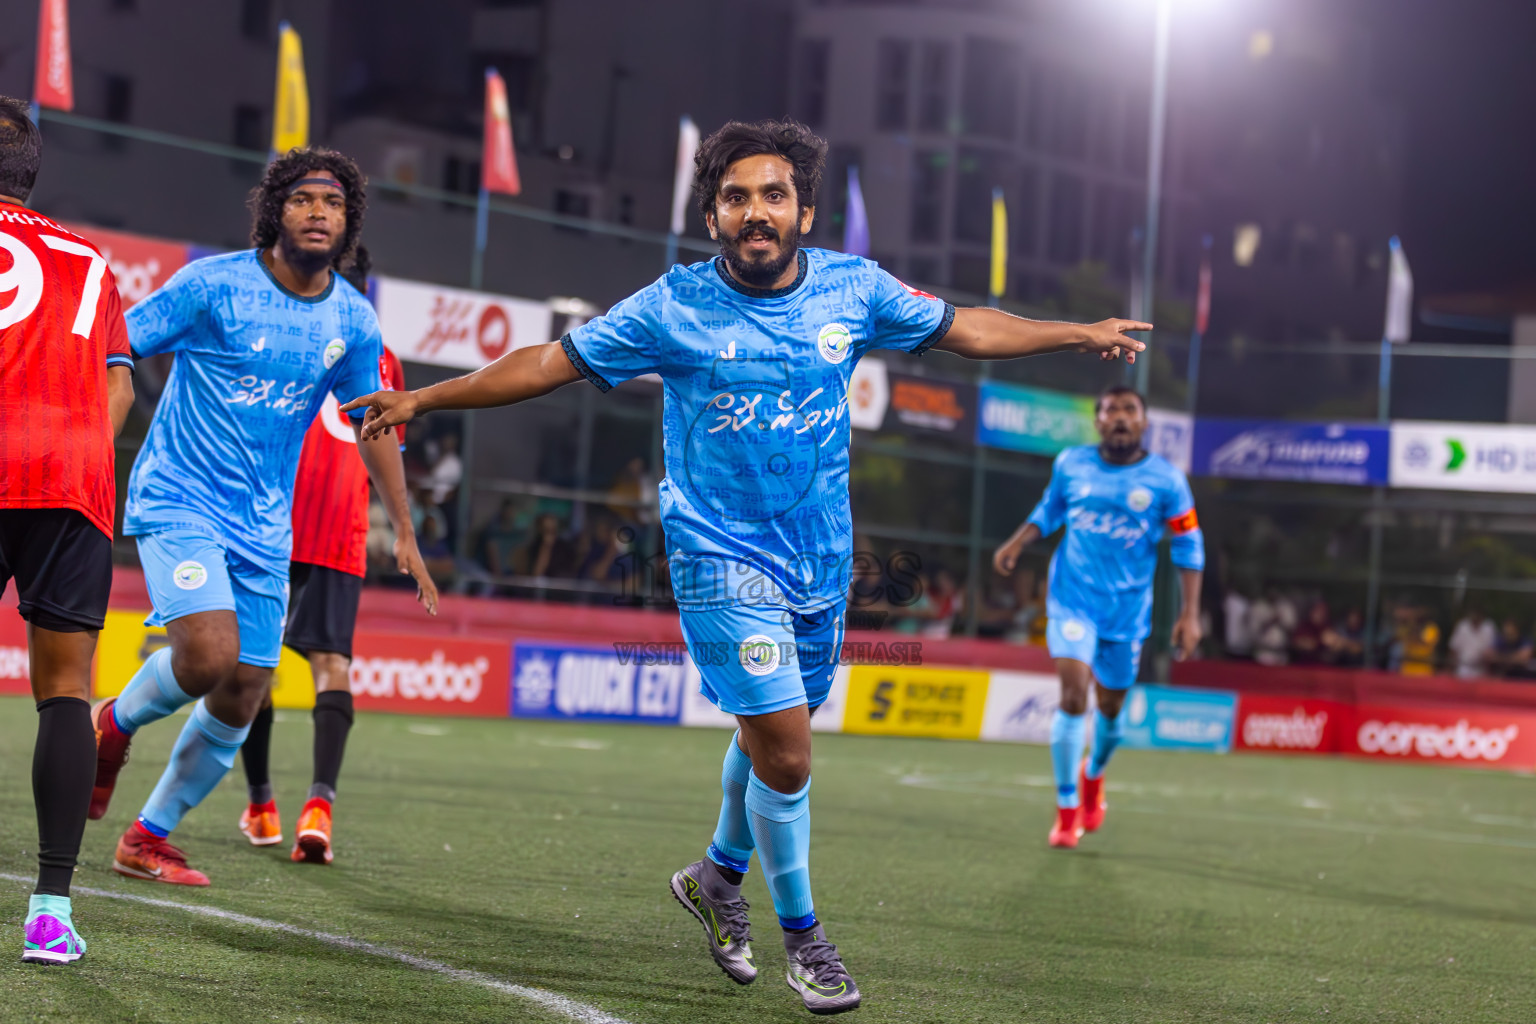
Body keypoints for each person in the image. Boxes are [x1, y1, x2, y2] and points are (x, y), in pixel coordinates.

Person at [342, 119, 1146, 1016]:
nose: (754, 212)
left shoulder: (855, 287)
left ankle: (718, 877)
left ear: (803, 209)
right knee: (793, 758)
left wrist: (1077, 332)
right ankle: (806, 938)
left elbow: (970, 330)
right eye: (735, 198)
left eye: (772, 196)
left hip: (822, 563)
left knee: (768, 739)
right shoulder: (671, 305)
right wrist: (423, 394)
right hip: (715, 560)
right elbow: (547, 363)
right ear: (713, 215)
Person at [88, 147, 434, 887]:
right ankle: (110, 723)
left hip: (264, 528)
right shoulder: (212, 286)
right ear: (274, 211)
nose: (319, 212)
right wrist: (87, 428)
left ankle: (146, 838)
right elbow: (117, 342)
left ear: (350, 222)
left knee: (245, 689)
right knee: (208, 656)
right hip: (179, 499)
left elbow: (372, 422)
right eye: (304, 199)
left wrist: (402, 527)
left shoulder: (351, 317)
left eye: (334, 203)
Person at [236, 248, 440, 865]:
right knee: (332, 665)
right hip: (341, 528)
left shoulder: (285, 327)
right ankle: (319, 804)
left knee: (255, 667)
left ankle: (262, 803)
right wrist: (404, 531)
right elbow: (386, 455)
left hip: (273, 518)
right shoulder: (383, 354)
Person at [0, 97, 135, 963]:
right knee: (64, 692)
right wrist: (75, 452)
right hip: (70, 474)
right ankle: (51, 911)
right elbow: (119, 386)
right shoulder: (92, 260)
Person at [993, 385, 1204, 850]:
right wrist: (1018, 541)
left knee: (1111, 711)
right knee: (1073, 693)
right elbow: (1051, 511)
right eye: (1110, 410)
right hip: (1072, 600)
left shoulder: (1167, 480)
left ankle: (1094, 774)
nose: (1120, 418)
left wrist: (1190, 614)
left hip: (1126, 614)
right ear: (1098, 421)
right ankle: (1067, 809)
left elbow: (1190, 544)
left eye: (1130, 410)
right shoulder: (1071, 463)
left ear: (1145, 422)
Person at [1448, 607, 1497, 680]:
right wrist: (1451, 669)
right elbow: (1454, 648)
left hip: (1481, 670)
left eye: (1478, 617)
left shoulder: (1488, 628)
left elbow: (1492, 650)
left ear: (1482, 617)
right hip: (1463, 668)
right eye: (1473, 616)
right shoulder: (1462, 626)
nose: (1475, 618)